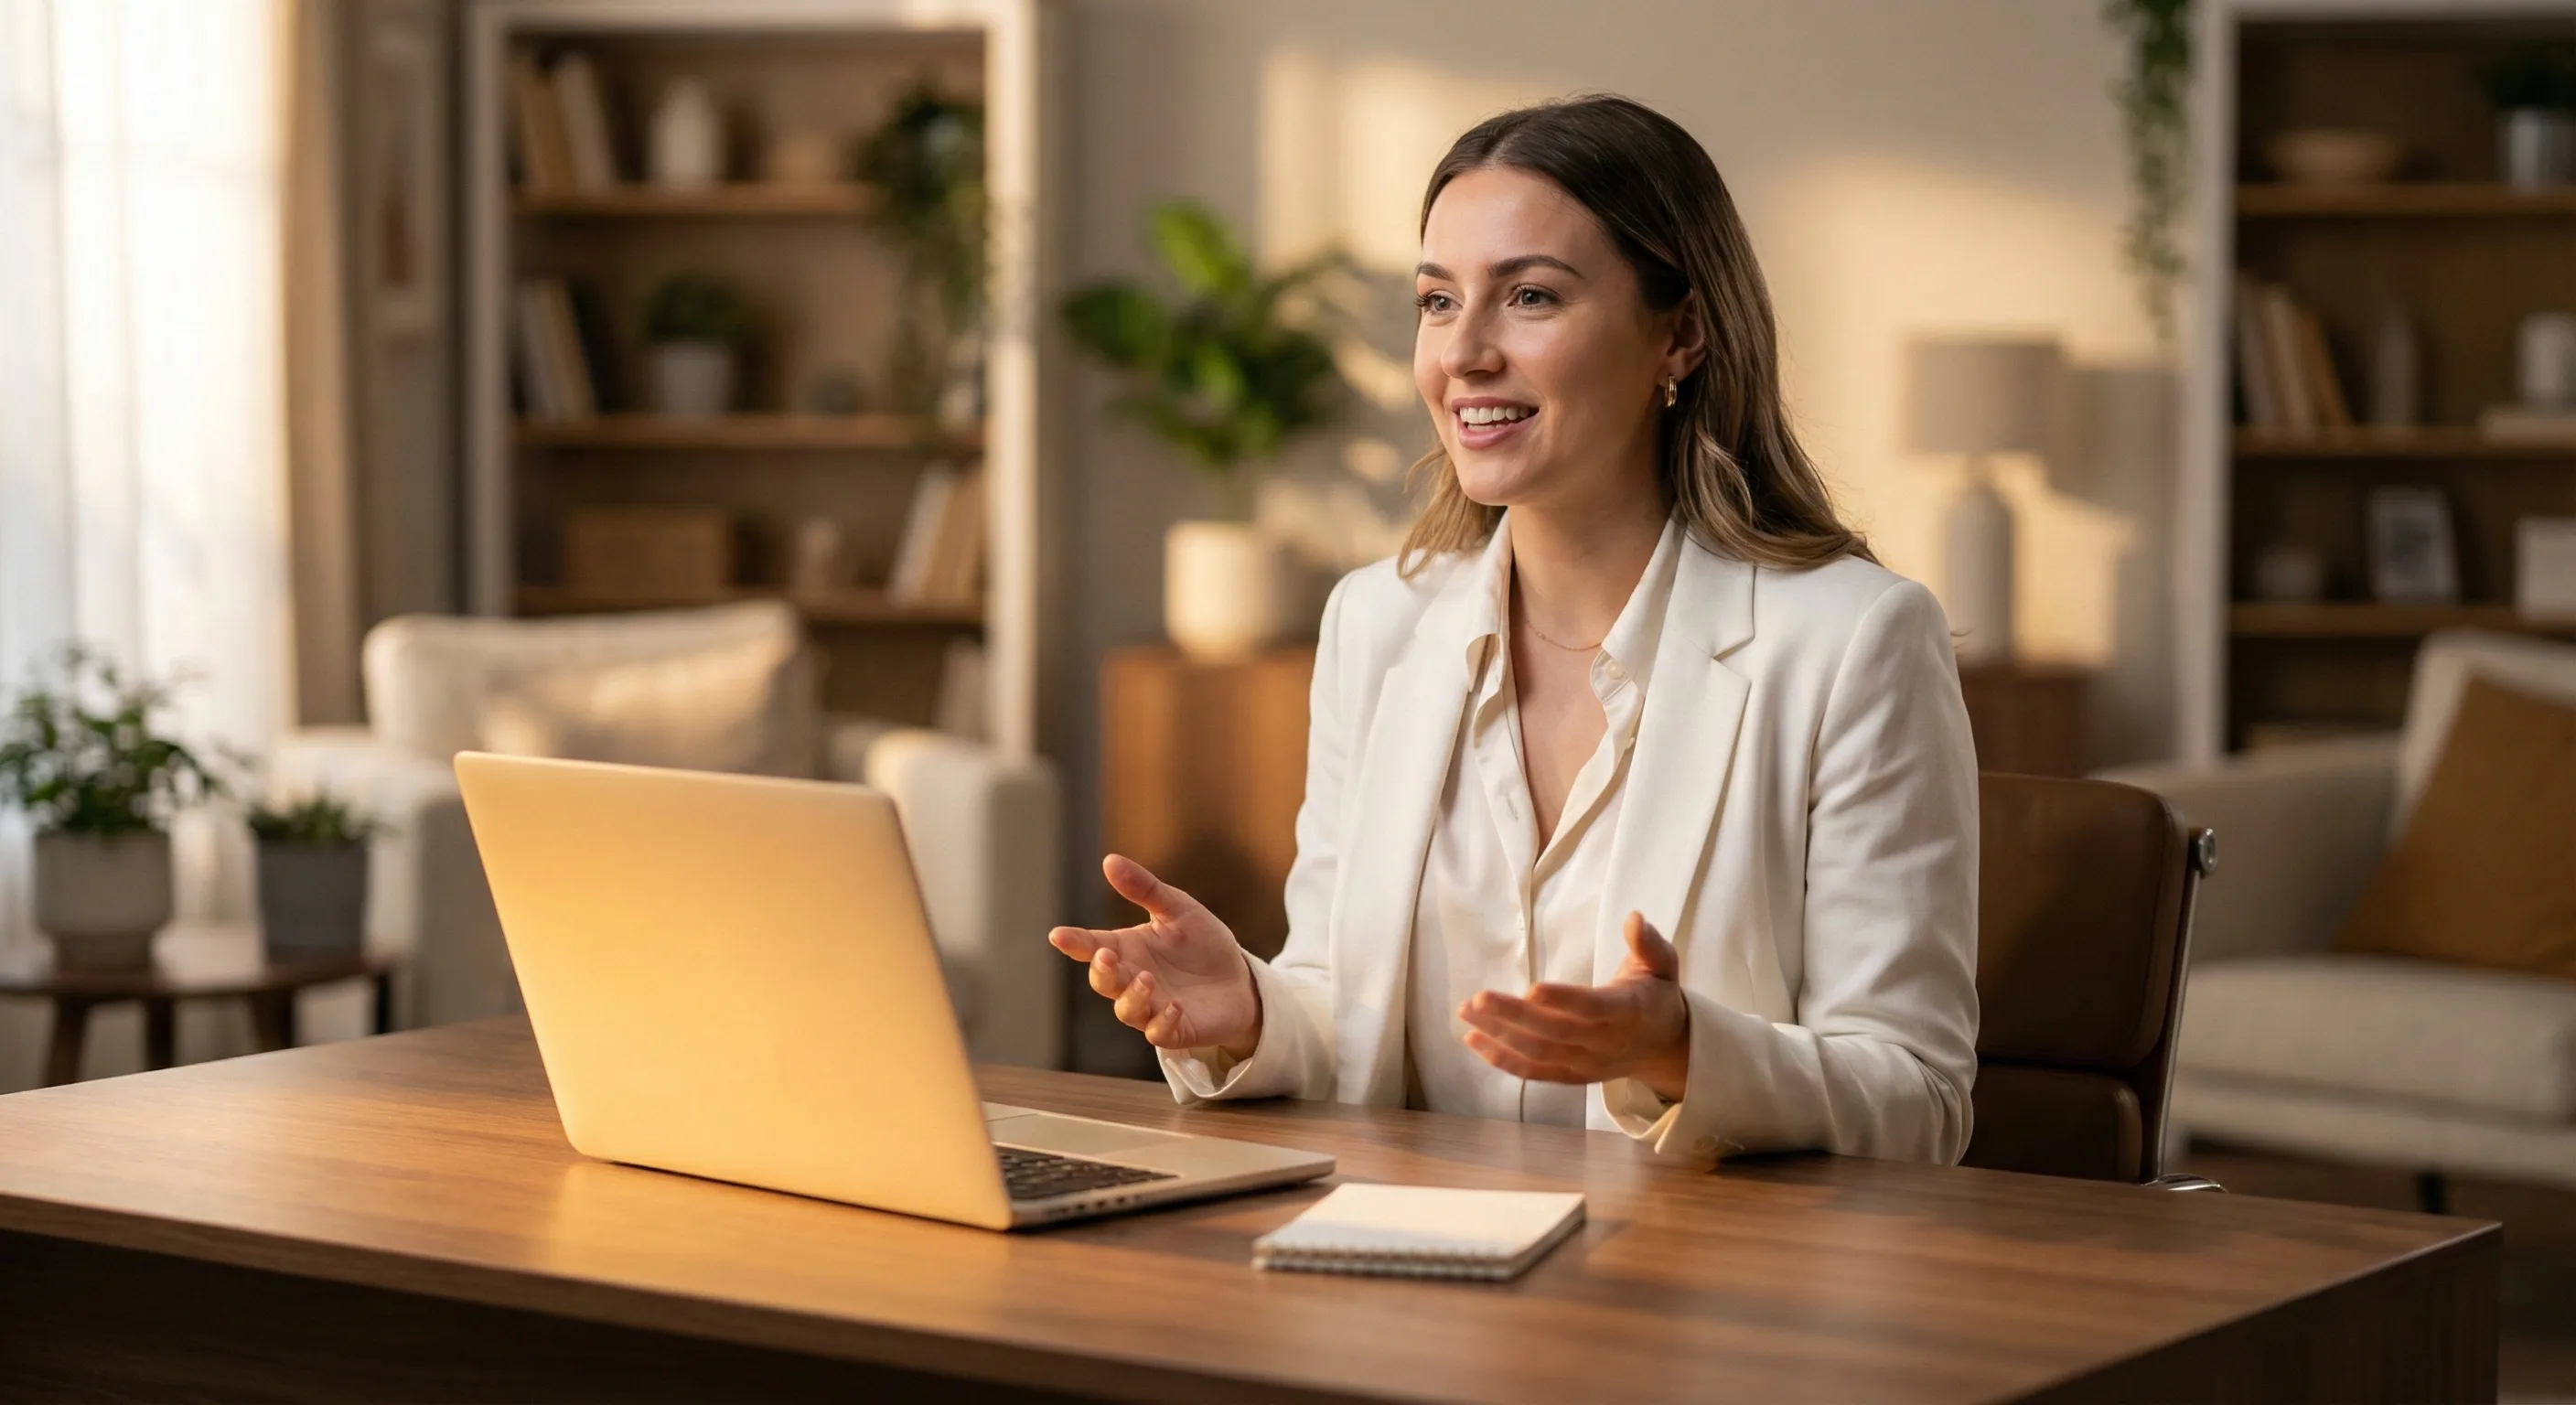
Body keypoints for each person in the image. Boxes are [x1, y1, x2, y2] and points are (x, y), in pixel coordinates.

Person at [1048, 95, 1980, 1164]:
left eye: (1530, 296)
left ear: (1680, 334)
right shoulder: (1376, 624)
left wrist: (1685, 1052)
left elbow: (1918, 1099)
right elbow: (1346, 1014)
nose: (1463, 353)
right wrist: (1255, 1016)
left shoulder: (1855, 640)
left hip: (1684, 1264)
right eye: (1437, 301)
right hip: (1398, 1254)